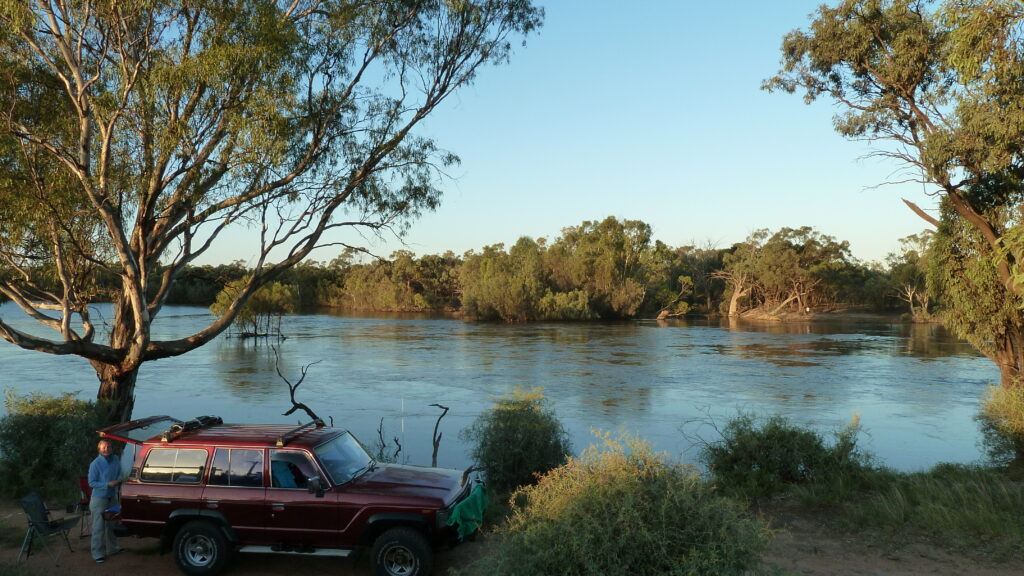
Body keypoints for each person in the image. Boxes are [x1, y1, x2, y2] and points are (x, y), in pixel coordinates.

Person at [88, 438, 123, 563]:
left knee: (111, 524)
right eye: (104, 447)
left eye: (108, 447)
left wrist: (119, 480)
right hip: (99, 499)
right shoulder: (95, 464)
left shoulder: (116, 459)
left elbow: (120, 473)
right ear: (99, 450)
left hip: (112, 497)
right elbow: (91, 483)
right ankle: (97, 553)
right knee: (99, 526)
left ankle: (112, 548)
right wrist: (108, 484)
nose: (107, 449)